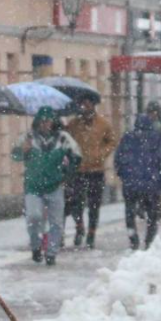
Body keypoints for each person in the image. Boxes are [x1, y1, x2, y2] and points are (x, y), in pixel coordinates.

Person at [11, 106, 81, 266]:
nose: (45, 124)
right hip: (33, 186)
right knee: (33, 217)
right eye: (42, 121)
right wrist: (23, 150)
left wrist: (66, 172)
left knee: (56, 222)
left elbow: (76, 157)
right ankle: (36, 246)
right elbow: (14, 155)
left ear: (53, 122)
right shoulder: (28, 138)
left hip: (55, 186)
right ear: (37, 122)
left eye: (48, 121)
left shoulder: (63, 138)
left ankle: (51, 252)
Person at [65, 96, 118, 248]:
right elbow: (66, 139)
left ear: (93, 106)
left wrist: (102, 153)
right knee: (76, 202)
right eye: (82, 103)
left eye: (88, 103)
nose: (85, 106)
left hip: (96, 169)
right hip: (78, 169)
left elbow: (112, 141)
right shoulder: (74, 124)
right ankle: (79, 226)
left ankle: (91, 233)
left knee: (94, 204)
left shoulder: (103, 124)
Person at [114, 114, 161, 250]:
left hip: (131, 184)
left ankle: (133, 239)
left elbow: (118, 159)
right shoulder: (157, 139)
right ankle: (149, 240)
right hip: (151, 184)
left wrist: (124, 175)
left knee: (129, 212)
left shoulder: (127, 138)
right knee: (153, 214)